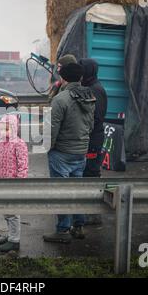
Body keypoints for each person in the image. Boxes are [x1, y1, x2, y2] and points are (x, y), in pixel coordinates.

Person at [43, 62, 95, 243]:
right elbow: (91, 126)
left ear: (63, 78)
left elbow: (53, 129)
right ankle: (79, 226)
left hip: (62, 152)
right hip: (81, 151)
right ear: (80, 77)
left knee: (61, 192)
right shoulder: (90, 95)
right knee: (76, 189)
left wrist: (47, 147)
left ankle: (62, 230)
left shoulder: (60, 99)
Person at [0, 114, 29, 253]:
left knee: (13, 213)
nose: (3, 132)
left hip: (13, 185)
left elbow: (23, 166)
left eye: (6, 129)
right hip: (1, 185)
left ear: (14, 128)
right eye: (1, 129)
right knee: (6, 212)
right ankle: (11, 235)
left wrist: (19, 184)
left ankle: (14, 241)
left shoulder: (19, 144)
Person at [79, 58, 108, 226]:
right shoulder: (90, 87)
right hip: (91, 137)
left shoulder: (95, 90)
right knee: (87, 172)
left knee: (91, 172)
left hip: (93, 139)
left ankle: (94, 213)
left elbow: (95, 117)